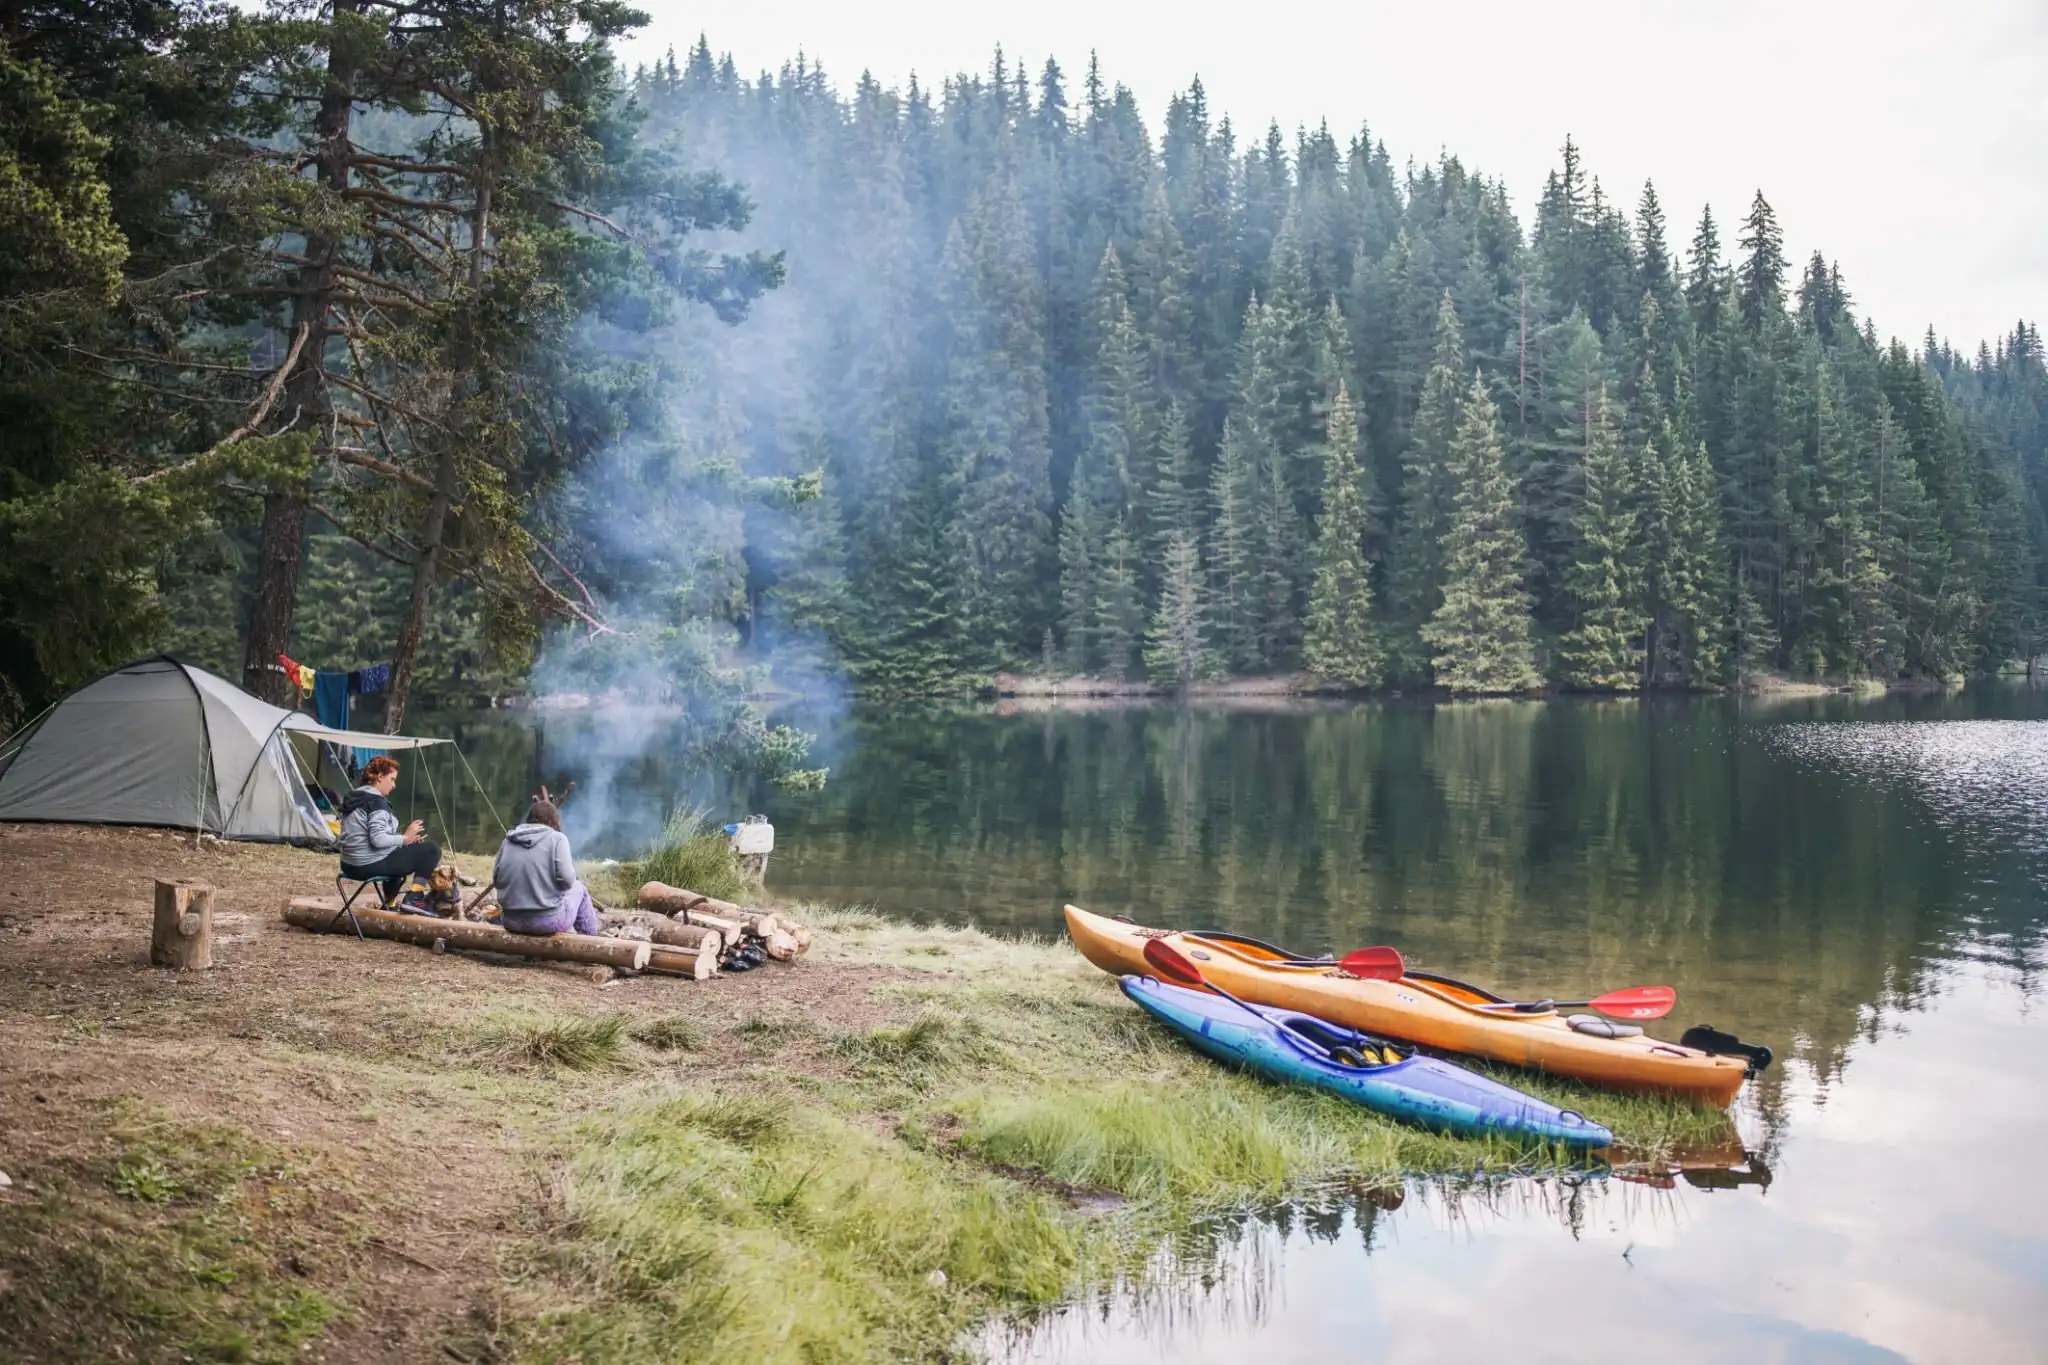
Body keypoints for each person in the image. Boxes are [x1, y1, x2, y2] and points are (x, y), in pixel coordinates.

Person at [338, 756, 440, 902]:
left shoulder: (356, 798)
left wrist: (405, 842)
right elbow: (378, 840)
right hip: (367, 865)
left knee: (397, 853)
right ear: (380, 777)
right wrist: (405, 838)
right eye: (391, 779)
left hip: (349, 864)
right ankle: (414, 898)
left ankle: (389, 904)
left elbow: (373, 837)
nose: (394, 785)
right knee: (432, 849)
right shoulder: (376, 803)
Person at [492, 798, 599, 936]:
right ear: (553, 822)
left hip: (511, 920)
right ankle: (590, 944)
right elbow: (567, 881)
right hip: (548, 921)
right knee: (580, 888)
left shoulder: (508, 840)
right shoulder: (558, 839)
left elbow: (496, 880)